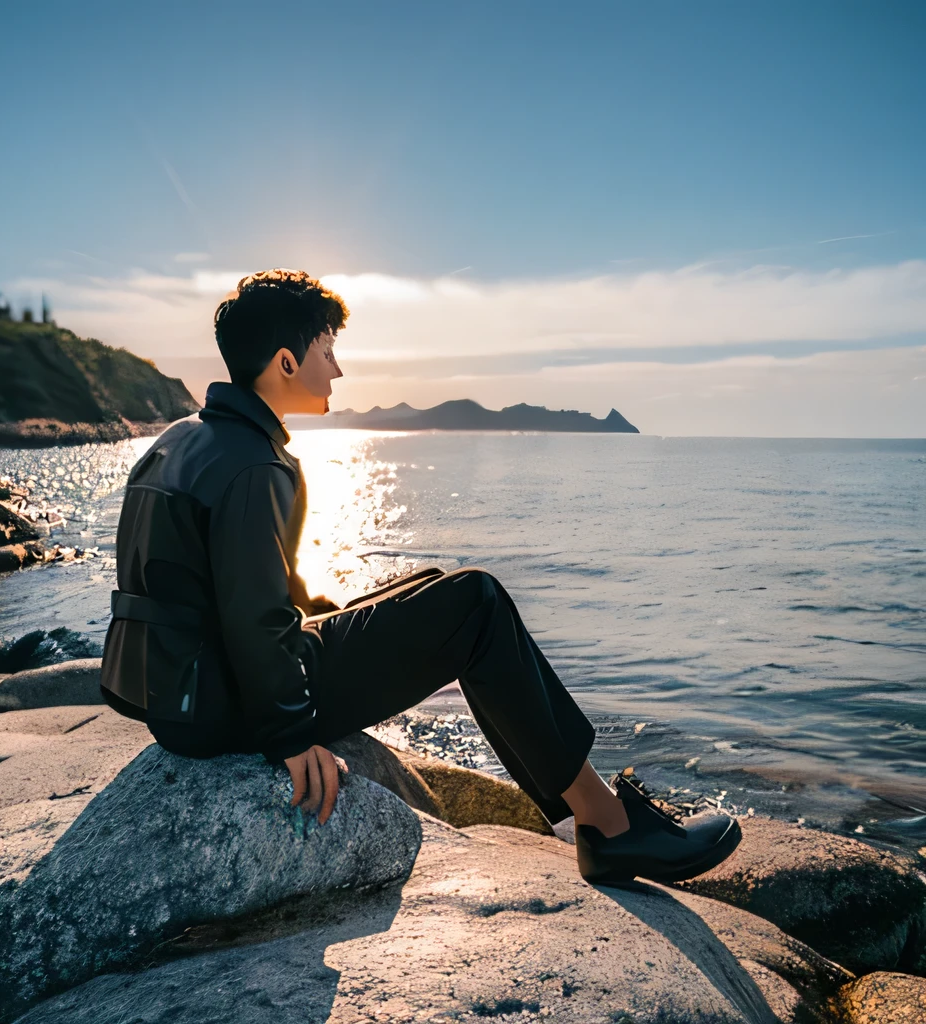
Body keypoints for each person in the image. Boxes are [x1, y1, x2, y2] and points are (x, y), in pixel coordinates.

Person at [100, 268, 742, 884]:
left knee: (434, 585)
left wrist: (331, 619)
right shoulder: (253, 464)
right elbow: (252, 618)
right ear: (287, 362)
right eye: (327, 351)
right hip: (223, 705)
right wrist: (290, 736)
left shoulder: (187, 438)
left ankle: (585, 808)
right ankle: (605, 823)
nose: (339, 368)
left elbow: (223, 587)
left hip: (182, 695)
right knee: (476, 603)